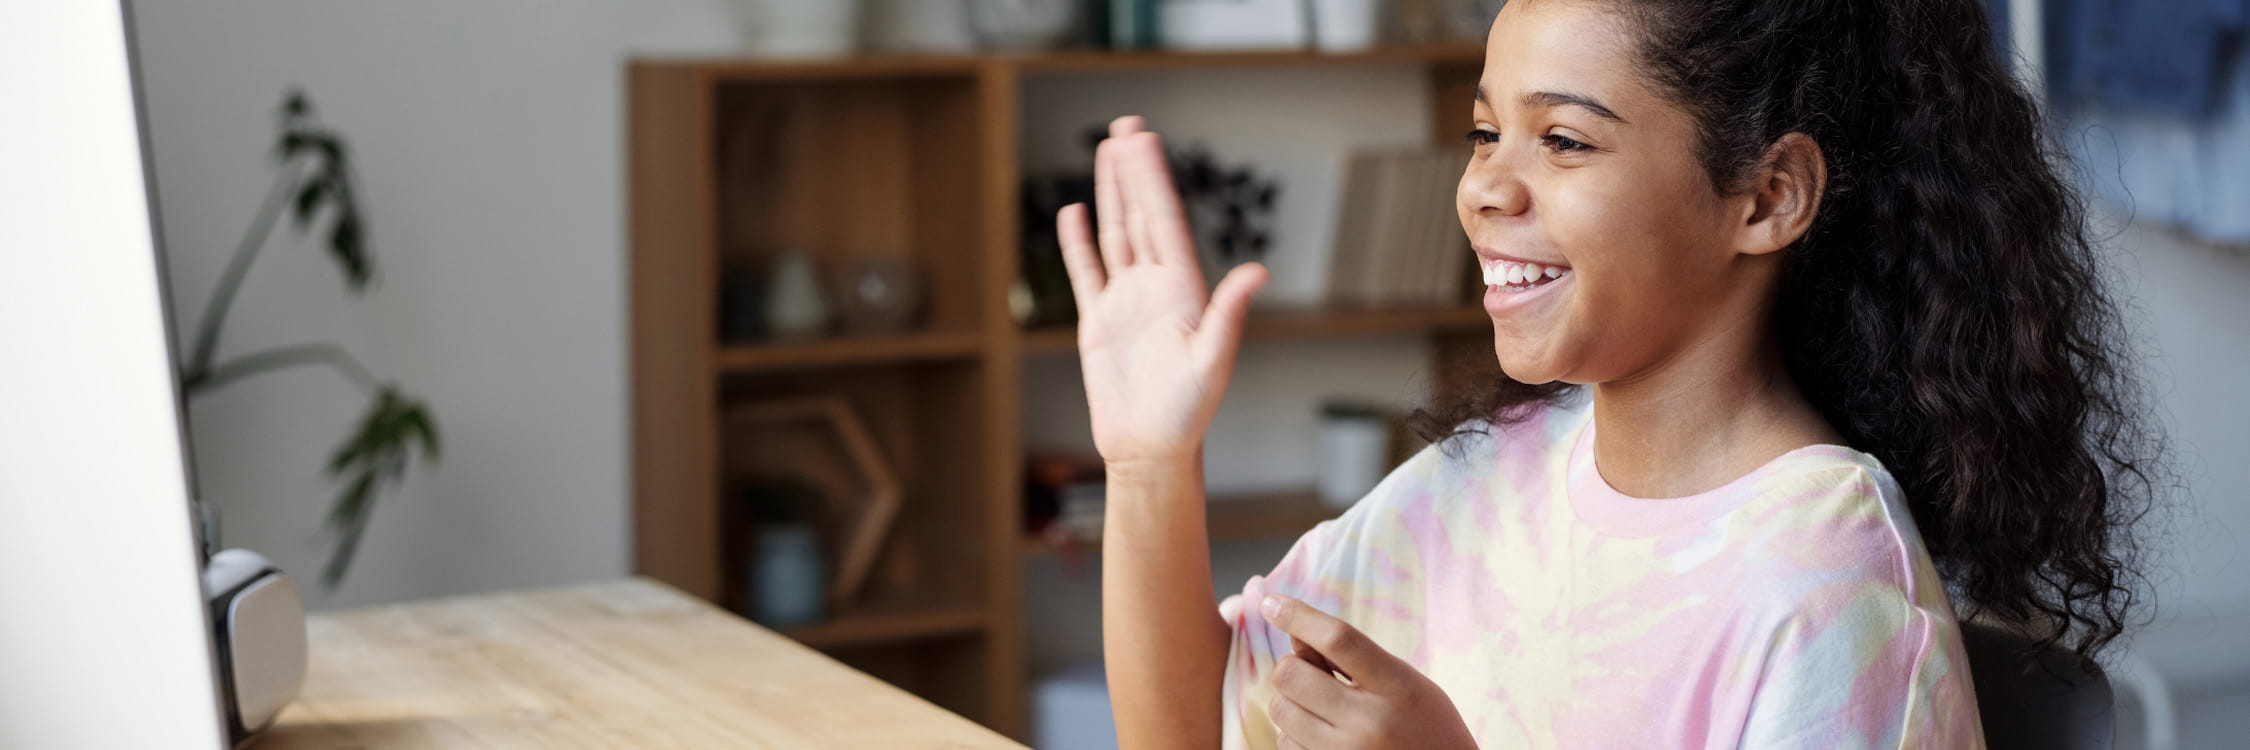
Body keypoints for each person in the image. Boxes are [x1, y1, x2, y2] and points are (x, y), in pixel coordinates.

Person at [1053, 0, 2162, 747]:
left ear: (1768, 197)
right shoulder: (1480, 481)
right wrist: (1151, 463)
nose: (1486, 186)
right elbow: (1196, 722)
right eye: (1487, 131)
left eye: (1566, 142)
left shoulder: (1828, 596)